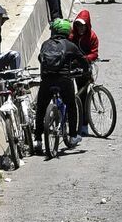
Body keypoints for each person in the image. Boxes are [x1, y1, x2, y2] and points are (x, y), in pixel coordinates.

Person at [35, 19, 88, 151]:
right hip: (64, 80)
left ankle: (37, 140)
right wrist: (85, 70)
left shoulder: (45, 44)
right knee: (71, 105)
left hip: (46, 80)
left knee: (41, 107)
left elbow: (40, 59)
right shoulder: (70, 45)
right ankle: (73, 136)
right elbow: (82, 60)